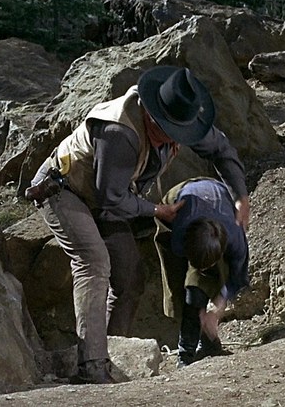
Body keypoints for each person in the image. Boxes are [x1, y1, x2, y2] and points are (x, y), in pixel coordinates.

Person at [28, 65, 250, 384]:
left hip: (110, 195)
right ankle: (92, 367)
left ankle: (114, 354)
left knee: (131, 277)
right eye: (169, 131)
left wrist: (240, 195)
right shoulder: (120, 132)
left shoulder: (184, 119)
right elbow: (111, 198)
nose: (176, 140)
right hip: (64, 190)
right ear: (152, 113)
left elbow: (221, 149)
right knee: (93, 261)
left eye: (181, 133)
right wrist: (157, 210)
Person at [153, 177, 250, 368]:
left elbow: (238, 276)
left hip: (216, 199)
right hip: (176, 204)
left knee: (203, 284)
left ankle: (207, 343)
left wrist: (218, 307)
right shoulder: (179, 235)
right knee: (185, 287)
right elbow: (181, 261)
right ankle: (186, 354)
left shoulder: (235, 238)